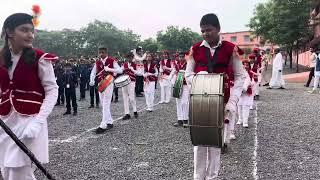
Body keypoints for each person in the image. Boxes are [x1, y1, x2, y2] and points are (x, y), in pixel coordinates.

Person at [185, 13, 246, 180]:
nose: (206, 34)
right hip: (199, 101)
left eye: (209, 30)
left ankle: (212, 177)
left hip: (221, 101)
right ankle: (198, 177)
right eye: (203, 31)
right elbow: (188, 74)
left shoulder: (230, 48)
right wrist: (199, 79)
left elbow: (241, 76)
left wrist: (233, 101)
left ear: (218, 29)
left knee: (215, 143)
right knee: (199, 142)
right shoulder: (195, 49)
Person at [0, 12, 58, 180]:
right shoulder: (1, 58)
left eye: (32, 31)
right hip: (5, 123)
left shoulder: (40, 58)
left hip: (30, 122)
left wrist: (38, 122)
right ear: (10, 32)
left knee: (17, 172)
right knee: (7, 171)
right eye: (24, 30)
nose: (30, 35)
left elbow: (52, 90)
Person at [89, 47, 122, 134]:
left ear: (106, 53)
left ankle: (103, 125)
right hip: (101, 83)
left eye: (103, 52)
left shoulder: (112, 60)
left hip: (109, 82)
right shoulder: (98, 62)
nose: (101, 54)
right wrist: (91, 79)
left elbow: (120, 70)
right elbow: (93, 72)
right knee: (103, 103)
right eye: (100, 53)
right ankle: (110, 121)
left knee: (106, 103)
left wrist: (110, 69)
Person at [173, 52, 190, 127]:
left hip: (186, 85)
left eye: (182, 57)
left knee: (185, 102)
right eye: (180, 57)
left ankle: (185, 119)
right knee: (178, 102)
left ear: (185, 57)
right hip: (177, 85)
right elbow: (174, 73)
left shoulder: (189, 64)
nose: (181, 58)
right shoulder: (177, 65)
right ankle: (179, 119)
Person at [121, 52, 138, 119]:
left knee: (131, 98)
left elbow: (139, 73)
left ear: (132, 58)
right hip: (124, 82)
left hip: (131, 82)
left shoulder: (135, 64)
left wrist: (132, 69)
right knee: (125, 98)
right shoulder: (124, 64)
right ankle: (127, 113)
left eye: (130, 57)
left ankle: (135, 111)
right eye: (128, 57)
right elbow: (120, 70)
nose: (129, 59)